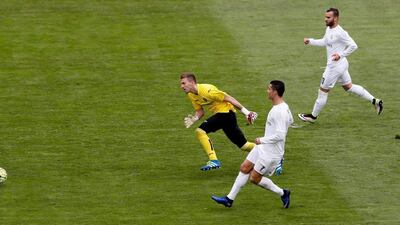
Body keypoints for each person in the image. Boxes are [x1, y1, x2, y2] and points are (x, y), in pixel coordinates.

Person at [211, 80, 293, 208]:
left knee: (254, 178)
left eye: (269, 89)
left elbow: (281, 135)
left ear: (275, 92)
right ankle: (229, 199)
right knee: (244, 167)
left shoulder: (280, 111)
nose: (267, 91)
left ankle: (283, 193)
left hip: (271, 153)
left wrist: (262, 140)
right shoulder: (283, 107)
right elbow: (290, 120)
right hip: (263, 148)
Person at [298, 8, 383, 123]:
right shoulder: (329, 29)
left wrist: (341, 54)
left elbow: (354, 45)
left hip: (334, 67)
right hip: (341, 65)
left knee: (323, 91)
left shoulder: (340, 33)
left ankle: (313, 116)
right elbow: (325, 41)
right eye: (325, 17)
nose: (325, 19)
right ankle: (375, 101)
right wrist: (311, 41)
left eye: (328, 17)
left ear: (336, 18)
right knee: (349, 87)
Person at [180, 72, 258, 171]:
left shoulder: (208, 90)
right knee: (244, 146)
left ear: (192, 82)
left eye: (184, 83)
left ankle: (213, 160)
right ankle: (270, 152)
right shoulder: (191, 95)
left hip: (226, 114)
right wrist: (194, 119)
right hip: (225, 117)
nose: (181, 86)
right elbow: (200, 112)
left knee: (200, 131)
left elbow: (229, 98)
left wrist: (247, 113)